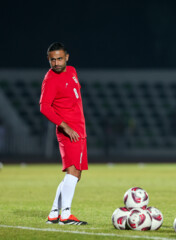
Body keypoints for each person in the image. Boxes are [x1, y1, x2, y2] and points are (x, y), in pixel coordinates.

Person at [40, 42, 88, 225]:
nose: (57, 63)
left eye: (60, 58)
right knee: (73, 172)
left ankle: (54, 214)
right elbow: (44, 107)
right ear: (48, 60)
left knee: (75, 173)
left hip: (79, 129)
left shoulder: (73, 71)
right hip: (69, 131)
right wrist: (64, 126)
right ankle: (66, 215)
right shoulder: (50, 79)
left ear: (67, 57)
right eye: (53, 60)